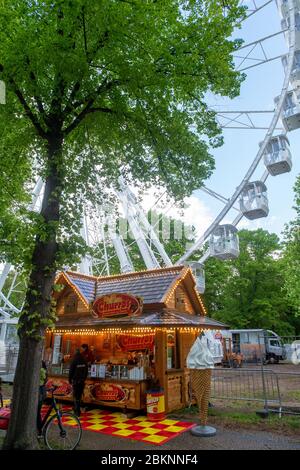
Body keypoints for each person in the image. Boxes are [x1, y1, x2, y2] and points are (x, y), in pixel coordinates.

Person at [69, 346, 88, 417]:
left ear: (75, 352)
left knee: (75, 396)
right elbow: (86, 370)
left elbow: (71, 371)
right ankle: (77, 409)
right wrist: (84, 378)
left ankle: (77, 411)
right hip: (82, 381)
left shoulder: (74, 360)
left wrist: (70, 379)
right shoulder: (84, 359)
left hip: (76, 380)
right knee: (79, 396)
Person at [37, 360, 48, 437]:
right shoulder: (44, 370)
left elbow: (43, 377)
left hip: (40, 390)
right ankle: (40, 429)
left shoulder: (41, 370)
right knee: (38, 411)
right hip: (42, 390)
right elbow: (45, 379)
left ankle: (40, 429)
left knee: (37, 412)